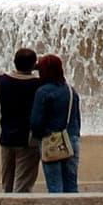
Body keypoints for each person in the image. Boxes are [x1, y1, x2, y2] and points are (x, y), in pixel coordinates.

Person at [29, 52, 81, 194]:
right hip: (72, 141)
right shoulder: (71, 91)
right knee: (71, 185)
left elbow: (36, 123)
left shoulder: (43, 92)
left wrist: (41, 136)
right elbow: (77, 121)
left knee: (55, 186)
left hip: (52, 141)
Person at [0, 46, 41, 193]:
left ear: (14, 62)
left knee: (7, 183)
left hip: (6, 136)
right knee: (23, 186)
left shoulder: (1, 80)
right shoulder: (39, 85)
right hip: (28, 140)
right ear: (34, 65)